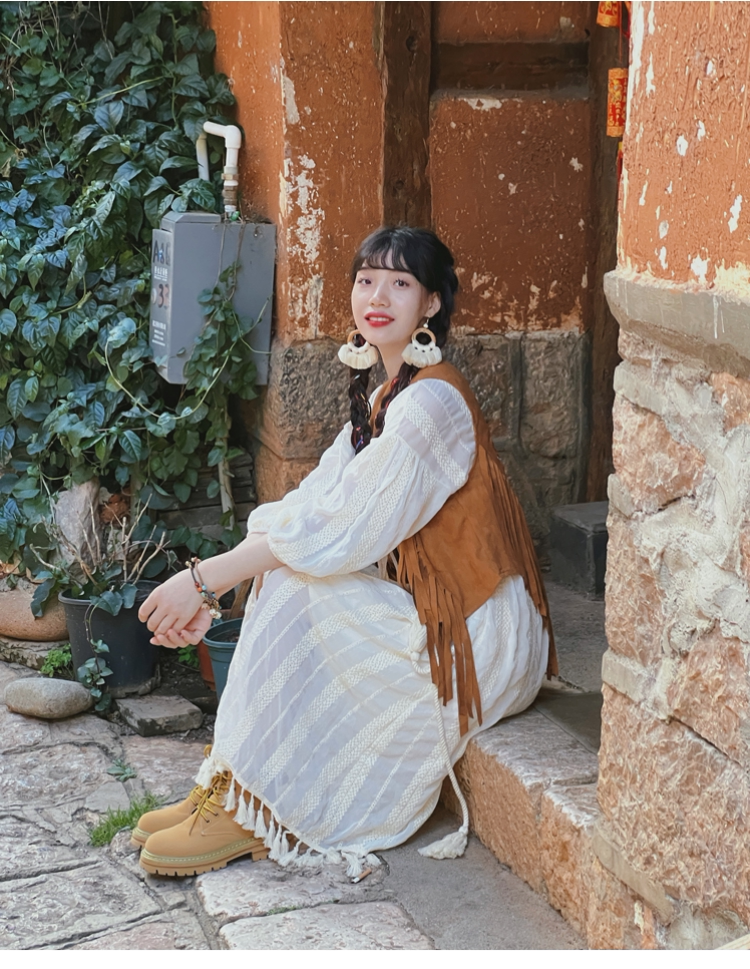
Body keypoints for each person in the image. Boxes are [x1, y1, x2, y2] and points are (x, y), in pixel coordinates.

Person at [133, 226, 556, 878]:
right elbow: (310, 506)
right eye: (366, 279)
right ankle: (235, 784)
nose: (377, 296)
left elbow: (341, 530)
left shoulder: (432, 404)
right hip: (441, 615)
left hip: (480, 638)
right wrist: (215, 586)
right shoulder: (389, 395)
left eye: (400, 282)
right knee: (283, 571)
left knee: (296, 579)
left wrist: (203, 580)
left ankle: (260, 810)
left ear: (431, 303)